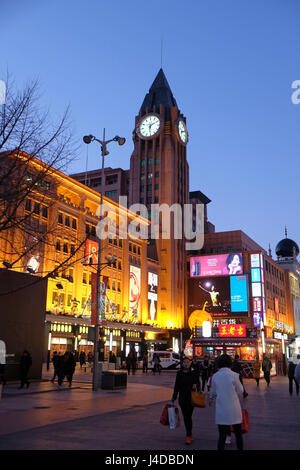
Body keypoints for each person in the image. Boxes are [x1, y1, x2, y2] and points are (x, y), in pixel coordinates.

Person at [209, 354, 244, 451]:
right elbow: (241, 391)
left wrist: (210, 399)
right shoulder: (234, 375)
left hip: (221, 409)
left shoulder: (215, 376)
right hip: (234, 409)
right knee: (238, 435)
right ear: (230, 363)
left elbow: (213, 392)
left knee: (222, 436)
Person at [172, 357, 200, 445]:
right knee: (186, 417)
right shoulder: (179, 373)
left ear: (190, 363)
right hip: (182, 398)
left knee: (188, 416)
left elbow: (198, 383)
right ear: (182, 364)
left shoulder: (193, 372)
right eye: (184, 362)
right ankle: (189, 434)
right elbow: (176, 385)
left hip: (191, 398)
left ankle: (189, 434)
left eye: (188, 362)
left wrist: (197, 386)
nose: (186, 364)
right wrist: (174, 397)